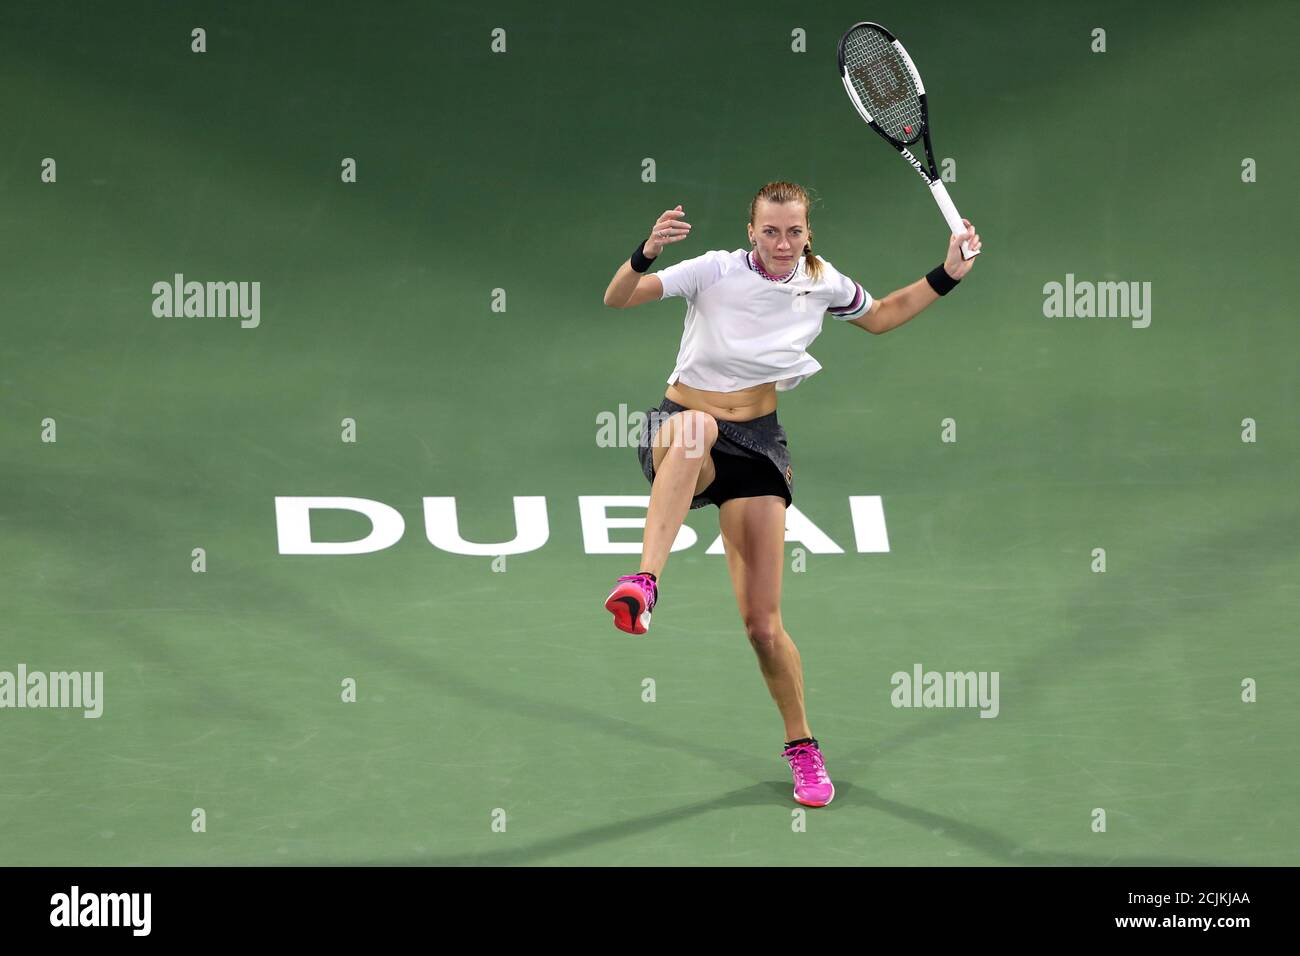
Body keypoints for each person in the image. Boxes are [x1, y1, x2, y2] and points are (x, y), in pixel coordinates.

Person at [600, 181, 981, 807]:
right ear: (751, 231)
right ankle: (644, 582)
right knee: (695, 428)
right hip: (682, 430)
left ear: (808, 233)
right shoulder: (712, 271)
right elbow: (619, 298)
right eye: (770, 230)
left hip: (757, 444)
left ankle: (802, 747)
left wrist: (949, 273)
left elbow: (881, 316)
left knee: (762, 626)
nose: (782, 242)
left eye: (794, 231)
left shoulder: (822, 281)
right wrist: (645, 252)